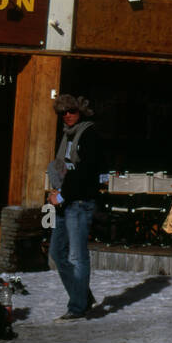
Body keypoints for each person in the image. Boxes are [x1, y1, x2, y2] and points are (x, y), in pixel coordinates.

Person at [46, 94, 103, 320]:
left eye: (71, 111)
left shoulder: (89, 134)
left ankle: (77, 307)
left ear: (81, 111)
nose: (68, 115)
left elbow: (86, 172)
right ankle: (82, 297)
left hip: (78, 202)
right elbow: (63, 168)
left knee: (77, 255)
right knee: (57, 253)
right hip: (64, 200)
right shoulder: (66, 136)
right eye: (63, 112)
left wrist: (62, 195)